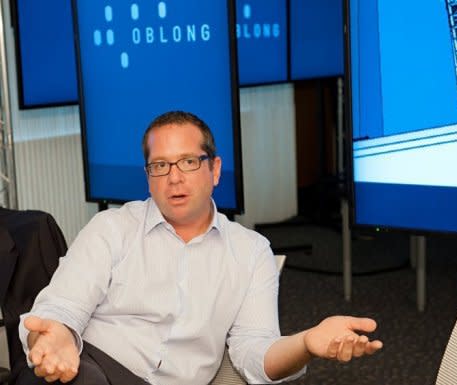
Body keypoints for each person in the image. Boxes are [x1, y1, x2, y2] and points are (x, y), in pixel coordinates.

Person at [18, 111, 383, 384]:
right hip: (92, 367)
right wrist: (56, 338)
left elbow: (253, 354)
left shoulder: (251, 252)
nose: (174, 177)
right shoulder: (112, 227)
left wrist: (305, 342)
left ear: (215, 169)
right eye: (160, 165)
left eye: (189, 162)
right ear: (148, 177)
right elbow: (60, 308)